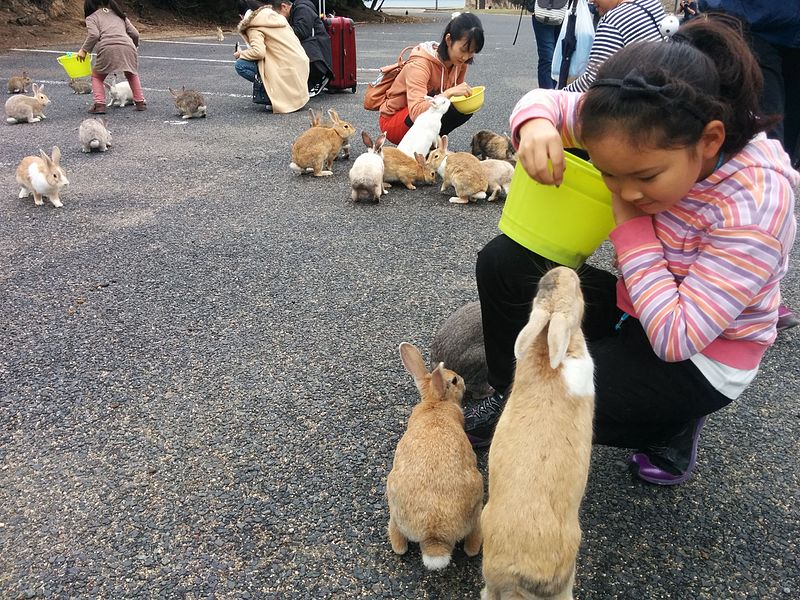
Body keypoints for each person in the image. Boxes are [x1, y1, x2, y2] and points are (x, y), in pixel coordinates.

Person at [465, 16, 797, 486]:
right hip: (637, 307)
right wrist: (536, 123)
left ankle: (669, 426)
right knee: (504, 263)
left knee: (555, 398)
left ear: (710, 141)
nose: (626, 190)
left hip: (698, 355)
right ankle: (509, 391)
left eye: (644, 177)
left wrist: (632, 225)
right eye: (609, 173)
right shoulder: (635, 119)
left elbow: (677, 337)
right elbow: (547, 102)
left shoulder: (755, 204)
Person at [700, 1, 800, 330]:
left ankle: (758, 285)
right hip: (747, 21)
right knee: (755, 148)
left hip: (791, 33)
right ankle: (733, 284)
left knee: (786, 160)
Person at [378, 12, 485, 146]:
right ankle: (417, 149)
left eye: (472, 51)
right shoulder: (420, 65)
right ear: (449, 40)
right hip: (395, 122)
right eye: (463, 50)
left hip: (421, 113)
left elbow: (455, 101)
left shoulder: (460, 63)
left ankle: (431, 145)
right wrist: (448, 93)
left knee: (462, 108)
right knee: (441, 106)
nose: (466, 57)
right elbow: (416, 111)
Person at [563, 0, 665, 92]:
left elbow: (593, 81)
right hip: (662, 92)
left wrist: (557, 98)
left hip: (638, 103)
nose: (591, 1)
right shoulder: (652, 3)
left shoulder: (614, 21)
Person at [234, 0, 309, 114]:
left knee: (241, 64)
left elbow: (259, 52)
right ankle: (288, 96)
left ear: (242, 16)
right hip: (300, 65)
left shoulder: (253, 25)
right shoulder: (276, 17)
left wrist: (241, 54)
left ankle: (271, 95)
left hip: (284, 68)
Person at [77, 0, 146, 114]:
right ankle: (140, 102)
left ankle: (99, 104)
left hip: (107, 47)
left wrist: (84, 50)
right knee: (131, 73)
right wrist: (135, 46)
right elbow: (135, 34)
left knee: (97, 77)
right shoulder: (120, 15)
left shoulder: (92, 17)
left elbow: (94, 35)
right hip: (128, 46)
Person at [274, 0, 334, 97]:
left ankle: (319, 77)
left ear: (284, 6)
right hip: (316, 51)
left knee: (298, 47)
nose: (279, 18)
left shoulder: (302, 10)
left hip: (318, 54)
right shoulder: (297, 10)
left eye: (278, 14)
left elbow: (301, 32)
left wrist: (280, 29)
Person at [528, 0, 569, 89]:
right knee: (547, 57)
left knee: (559, 57)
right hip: (543, 10)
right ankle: (547, 95)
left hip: (567, 11)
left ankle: (550, 93)